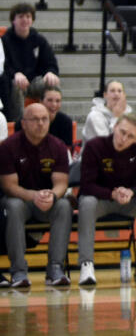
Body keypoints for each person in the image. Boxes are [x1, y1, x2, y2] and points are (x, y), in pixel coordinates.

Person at [77, 111, 136, 286]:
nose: (124, 139)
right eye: (122, 132)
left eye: (130, 136)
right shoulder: (95, 146)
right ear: (114, 127)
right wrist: (112, 194)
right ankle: (87, 265)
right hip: (103, 201)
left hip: (130, 202)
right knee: (86, 202)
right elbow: (86, 185)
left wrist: (132, 192)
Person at [0, 103, 71, 287]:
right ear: (23, 123)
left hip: (46, 203)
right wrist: (34, 196)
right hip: (20, 200)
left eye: (44, 119)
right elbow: (9, 186)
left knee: (63, 206)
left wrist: (52, 196)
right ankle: (18, 271)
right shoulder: (9, 146)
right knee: (13, 206)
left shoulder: (58, 146)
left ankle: (55, 268)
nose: (40, 123)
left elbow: (61, 182)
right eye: (35, 119)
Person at [2, 3, 60, 124]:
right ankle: (19, 124)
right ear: (13, 20)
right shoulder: (5, 40)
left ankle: (53, 121)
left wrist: (50, 72)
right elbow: (3, 65)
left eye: (28, 16)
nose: (25, 20)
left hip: (34, 81)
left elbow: (51, 62)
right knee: (16, 85)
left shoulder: (39, 40)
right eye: (21, 16)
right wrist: (15, 74)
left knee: (53, 84)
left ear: (32, 20)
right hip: (15, 82)